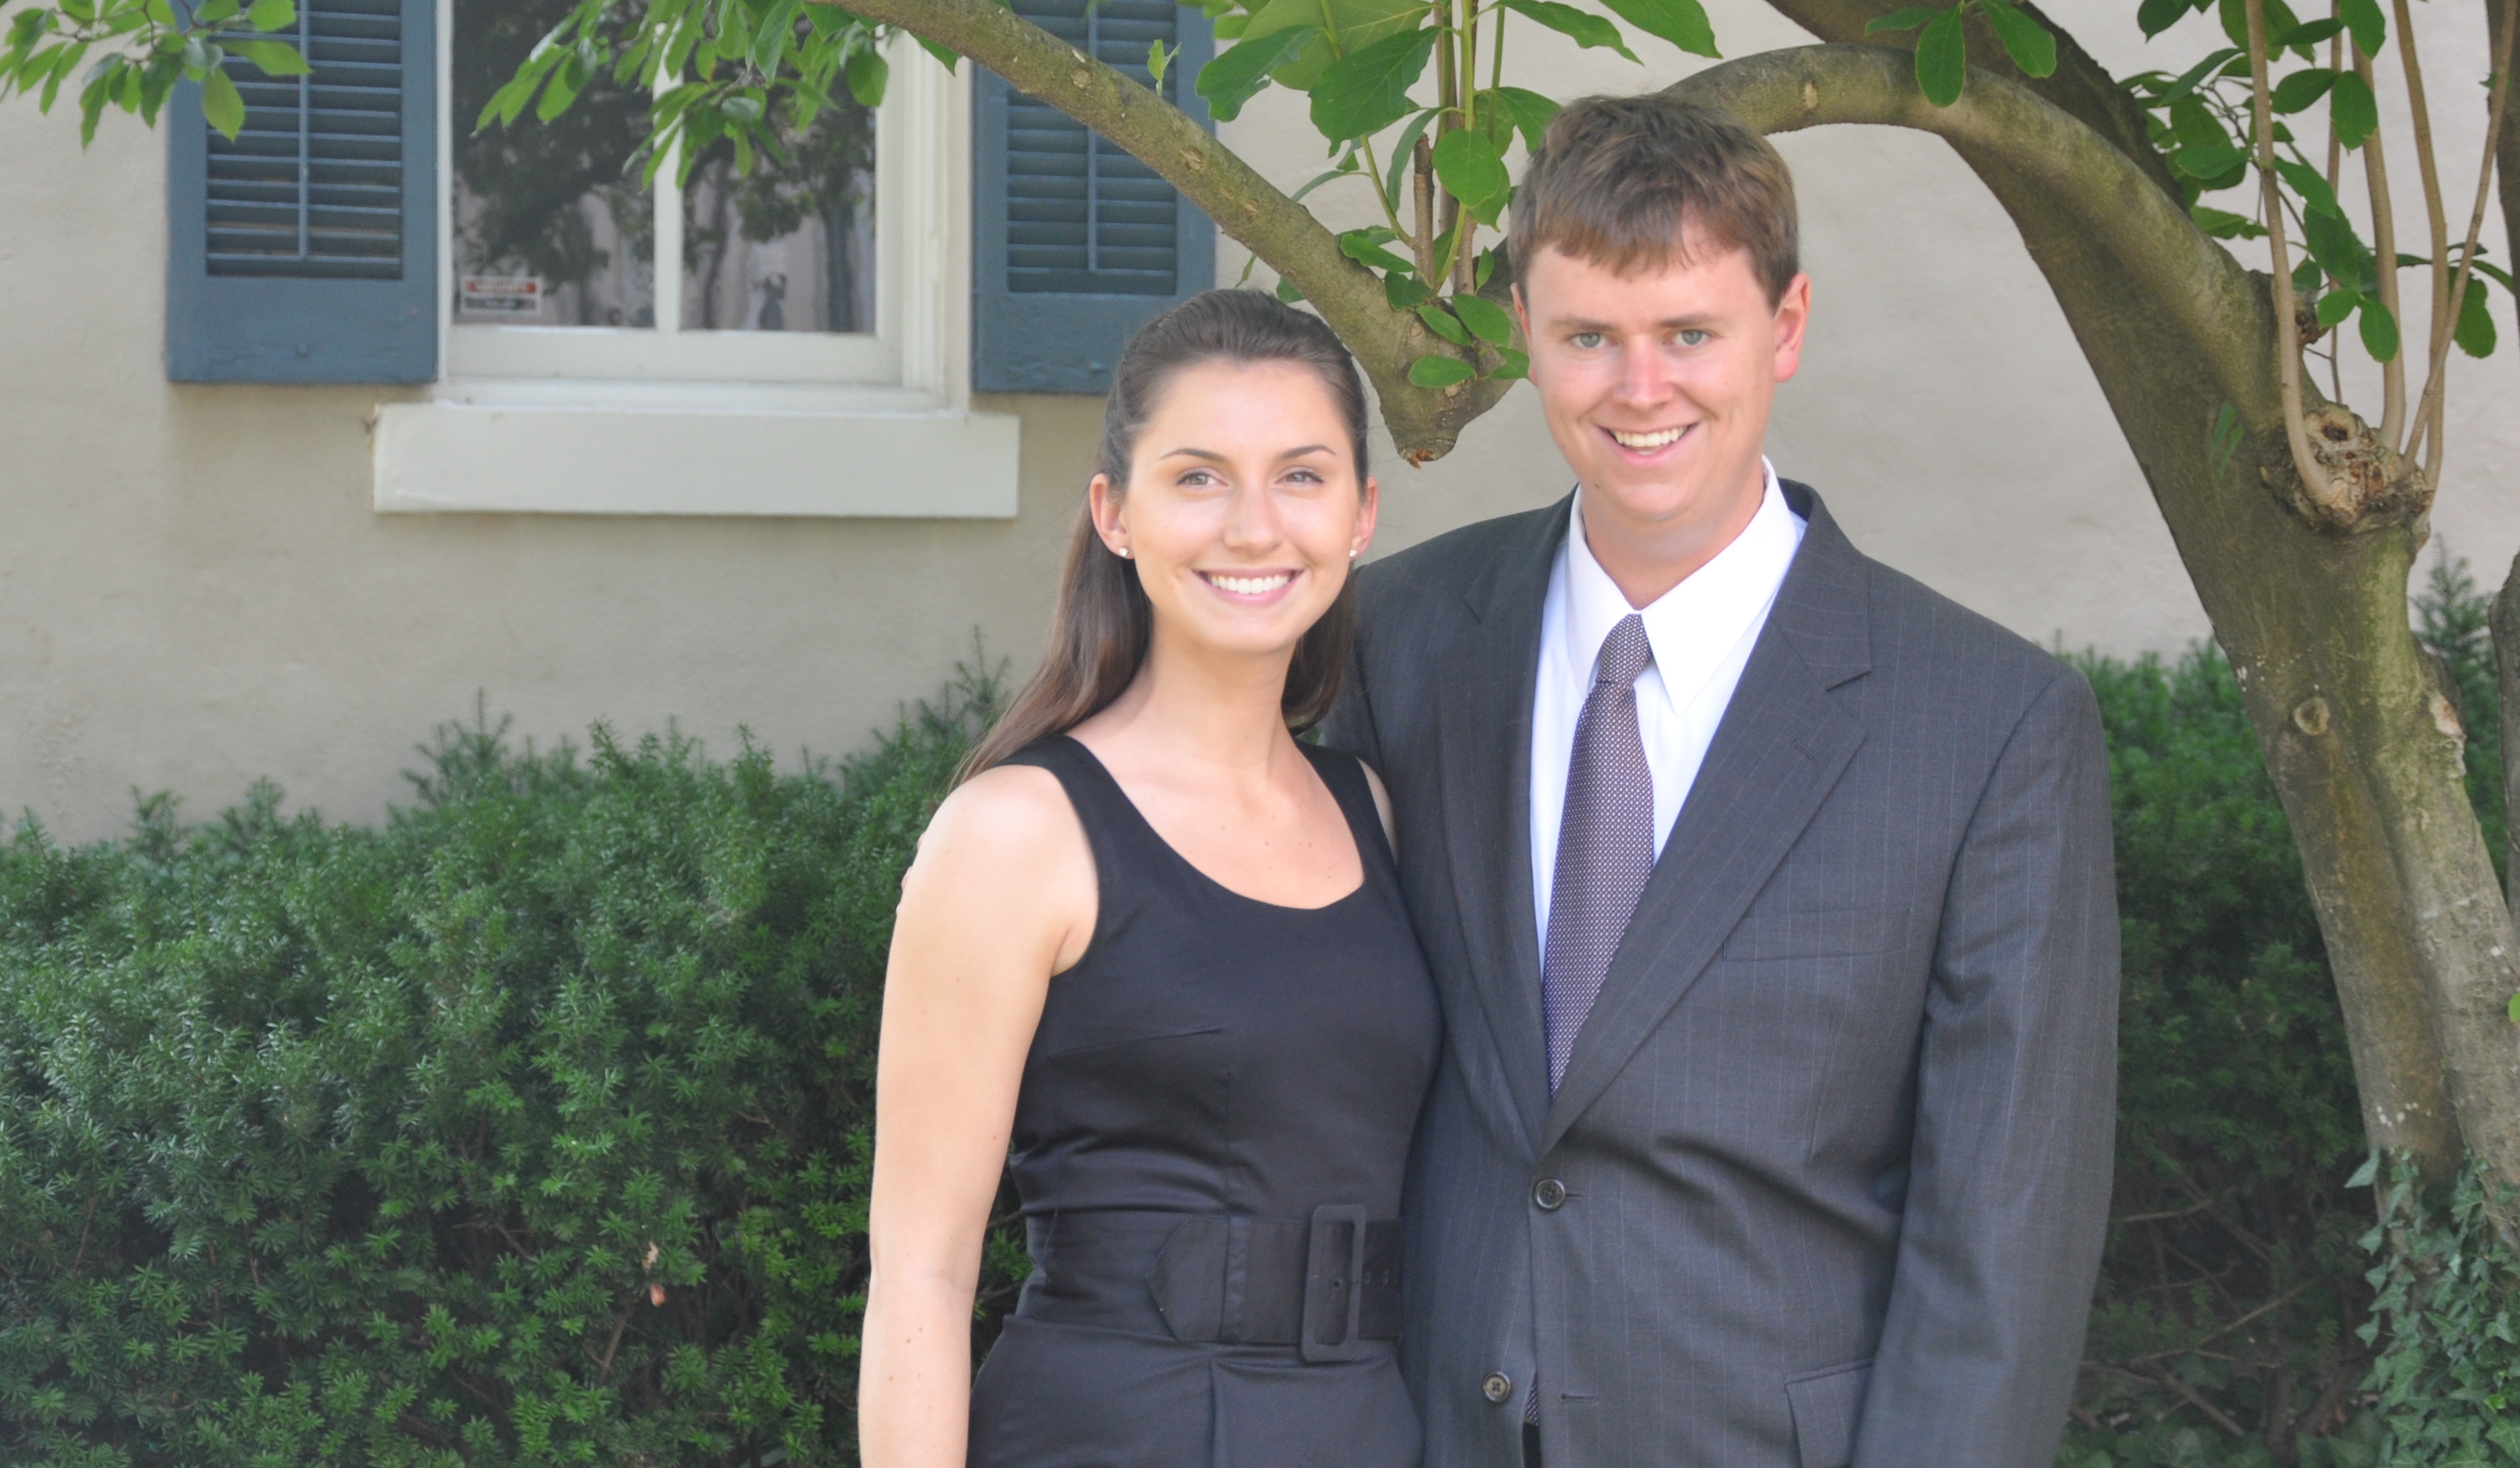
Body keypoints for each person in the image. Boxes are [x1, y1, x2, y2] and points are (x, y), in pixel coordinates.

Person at [1322, 96, 2120, 1468]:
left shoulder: (1990, 726)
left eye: (1690, 333)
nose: (1642, 390)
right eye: (1589, 337)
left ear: (1786, 327)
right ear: (1524, 328)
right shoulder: (1393, 644)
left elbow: (2004, 1244)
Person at [860, 289, 1440, 1468]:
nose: (1253, 526)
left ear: (1361, 515)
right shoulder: (1018, 834)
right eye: (1198, 477)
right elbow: (922, 1271)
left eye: (1301, 475)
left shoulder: (1374, 811)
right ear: (1115, 515)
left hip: (1364, 1431)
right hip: (1113, 1430)